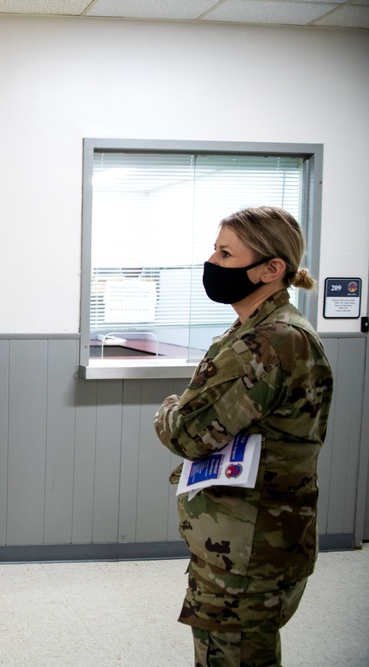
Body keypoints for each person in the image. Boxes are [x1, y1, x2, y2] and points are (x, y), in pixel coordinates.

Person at [154, 206, 334, 667]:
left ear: (271, 269)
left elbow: (187, 435)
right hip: (245, 540)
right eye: (215, 248)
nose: (212, 261)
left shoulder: (270, 342)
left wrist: (171, 408)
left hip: (249, 549)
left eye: (226, 252)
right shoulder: (258, 329)